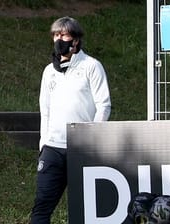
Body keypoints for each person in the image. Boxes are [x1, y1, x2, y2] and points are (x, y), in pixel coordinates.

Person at [30, 16, 111, 223]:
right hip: (52, 149)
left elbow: (104, 105)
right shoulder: (49, 72)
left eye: (63, 34)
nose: (59, 39)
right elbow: (44, 109)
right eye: (55, 35)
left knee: (86, 211)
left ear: (75, 40)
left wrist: (91, 138)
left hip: (82, 149)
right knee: (41, 209)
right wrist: (43, 143)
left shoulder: (92, 66)